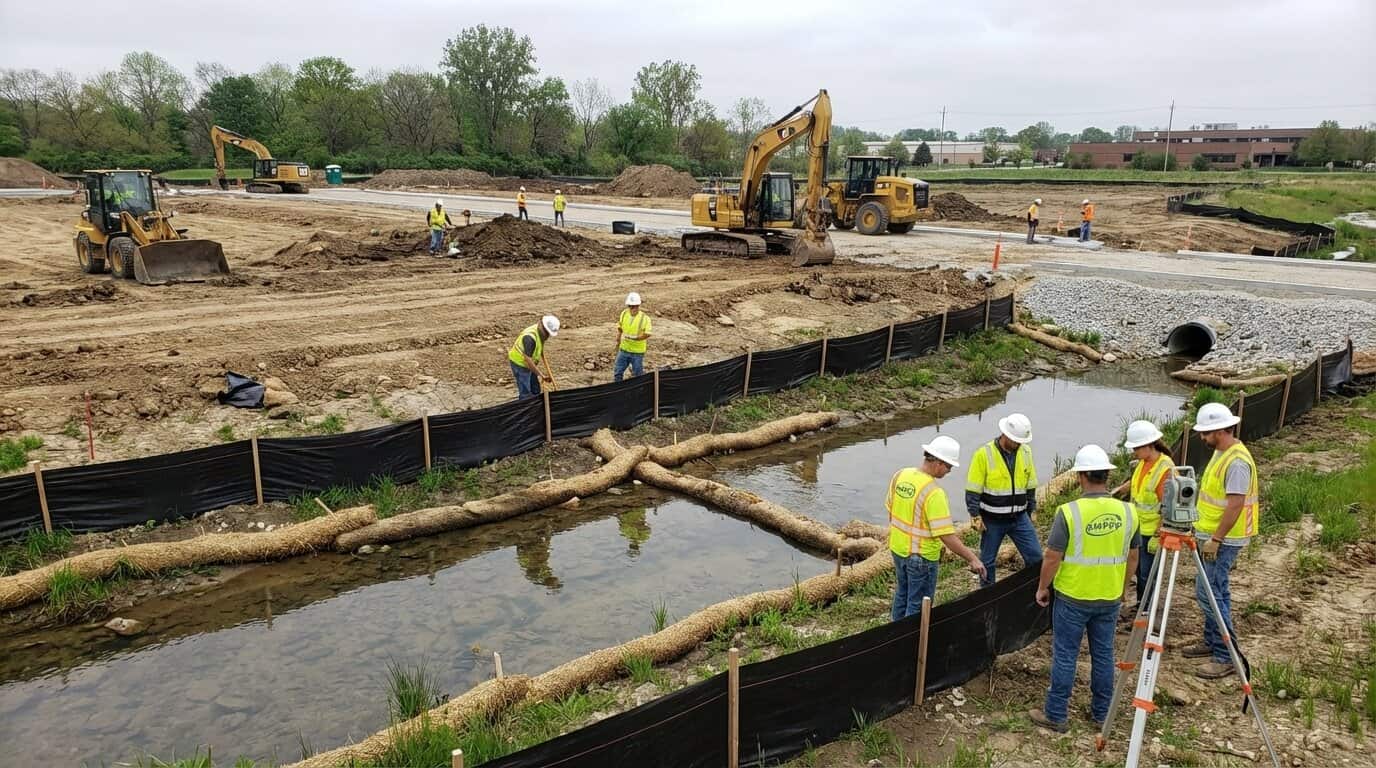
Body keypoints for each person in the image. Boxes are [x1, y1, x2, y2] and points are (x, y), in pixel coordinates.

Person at [1029, 444, 1139, 733]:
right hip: (1110, 597)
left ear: (1081, 477)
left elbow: (1052, 557)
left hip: (1073, 597)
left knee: (1066, 654)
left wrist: (1042, 587)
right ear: (1106, 476)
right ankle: (1102, 713)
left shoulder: (1069, 512)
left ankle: (1056, 714)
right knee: (1103, 655)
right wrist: (1124, 588)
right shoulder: (1129, 512)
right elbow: (1133, 555)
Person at [1183, 402, 1258, 679]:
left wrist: (1216, 538)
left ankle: (1226, 656)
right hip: (1212, 533)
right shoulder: (1221, 452)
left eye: (1205, 433)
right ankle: (1213, 641)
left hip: (1225, 538)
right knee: (1216, 591)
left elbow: (1235, 505)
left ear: (1219, 430)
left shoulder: (1236, 462)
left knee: (1209, 594)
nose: (1202, 438)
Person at [886, 435, 986, 621]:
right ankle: (910, 643)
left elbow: (891, 512)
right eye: (948, 467)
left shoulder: (900, 476)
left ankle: (893, 638)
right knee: (917, 605)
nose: (948, 471)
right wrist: (972, 558)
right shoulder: (934, 493)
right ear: (939, 462)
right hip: (921, 557)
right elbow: (946, 535)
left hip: (898, 550)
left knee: (902, 595)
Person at [965, 412, 1041, 585]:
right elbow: (972, 490)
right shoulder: (983, 454)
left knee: (1035, 556)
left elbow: (1030, 485)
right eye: (1015, 440)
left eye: (1020, 441)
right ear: (1005, 434)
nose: (1018, 444)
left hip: (1019, 518)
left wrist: (1032, 508)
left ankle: (1033, 588)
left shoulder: (1026, 452)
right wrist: (975, 514)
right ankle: (987, 594)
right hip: (992, 520)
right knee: (987, 561)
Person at [1114, 419, 1175, 607]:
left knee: (1147, 573)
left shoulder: (1165, 468)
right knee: (1138, 569)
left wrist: (1160, 531)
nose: (1134, 452)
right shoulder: (1144, 461)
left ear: (1149, 445)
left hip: (1151, 531)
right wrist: (1118, 492)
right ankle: (1142, 606)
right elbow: (1136, 482)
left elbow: (1168, 504)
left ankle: (1146, 608)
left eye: (1137, 448)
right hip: (1138, 527)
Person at [507, 315, 559, 398]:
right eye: (547, 333)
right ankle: (526, 406)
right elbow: (527, 361)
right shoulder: (530, 338)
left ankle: (536, 401)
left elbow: (537, 348)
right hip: (519, 364)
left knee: (535, 388)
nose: (547, 336)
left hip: (529, 363)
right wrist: (541, 375)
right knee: (525, 392)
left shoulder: (541, 333)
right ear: (542, 325)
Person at [614, 292, 652, 381]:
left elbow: (648, 333)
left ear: (638, 306)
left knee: (638, 375)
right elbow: (620, 326)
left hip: (637, 352)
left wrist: (636, 338)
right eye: (630, 306)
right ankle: (618, 390)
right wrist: (618, 337)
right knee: (618, 372)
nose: (631, 308)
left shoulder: (645, 318)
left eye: (633, 306)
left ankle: (639, 391)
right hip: (624, 349)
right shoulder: (624, 314)